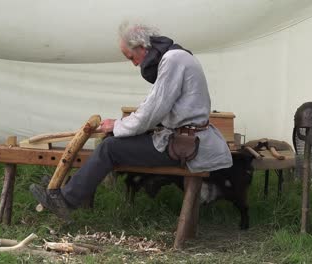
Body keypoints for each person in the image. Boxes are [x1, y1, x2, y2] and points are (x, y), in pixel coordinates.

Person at [30, 23, 233, 220]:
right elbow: (152, 105)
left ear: (142, 46)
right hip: (184, 139)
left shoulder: (173, 60)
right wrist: (118, 124)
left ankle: (66, 201)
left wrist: (118, 126)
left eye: (131, 57)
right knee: (113, 141)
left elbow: (152, 111)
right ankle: (68, 189)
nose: (134, 63)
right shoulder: (173, 58)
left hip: (187, 146)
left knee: (109, 147)